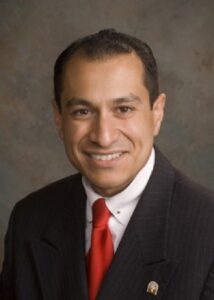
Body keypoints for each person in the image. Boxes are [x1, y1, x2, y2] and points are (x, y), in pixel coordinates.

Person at [0, 29, 214, 300]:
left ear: (157, 113)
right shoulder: (30, 220)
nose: (104, 136)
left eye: (123, 109)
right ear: (58, 119)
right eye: (83, 112)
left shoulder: (208, 231)